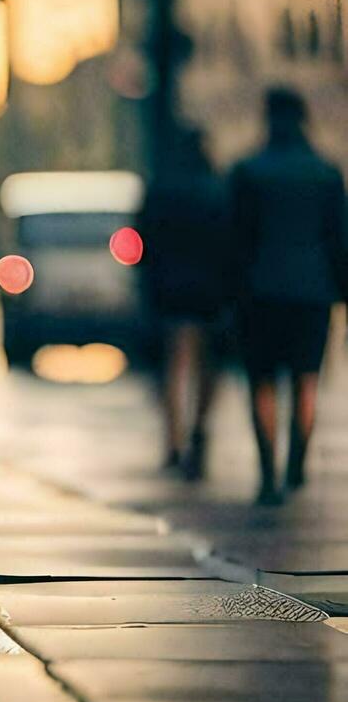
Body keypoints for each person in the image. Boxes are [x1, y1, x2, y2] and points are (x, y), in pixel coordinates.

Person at [230, 88, 346, 504]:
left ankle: (267, 472)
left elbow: (236, 239)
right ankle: (297, 464)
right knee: (307, 380)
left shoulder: (248, 171)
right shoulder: (326, 173)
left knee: (262, 381)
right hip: (312, 292)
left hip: (259, 291)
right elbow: (339, 241)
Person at [136, 127, 232, 480]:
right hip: (211, 290)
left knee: (175, 363)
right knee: (210, 365)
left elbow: (144, 244)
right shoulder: (218, 190)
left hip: (171, 289)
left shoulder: (161, 189)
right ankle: (200, 428)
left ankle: (174, 440)